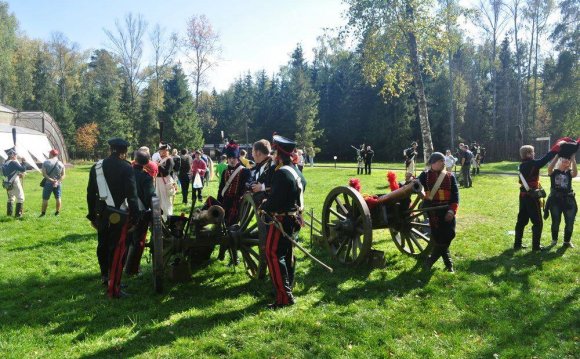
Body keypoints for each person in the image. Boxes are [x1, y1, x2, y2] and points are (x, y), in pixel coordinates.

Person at [86, 138, 140, 298]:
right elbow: (132, 196)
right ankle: (113, 282)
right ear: (124, 152)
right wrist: (135, 218)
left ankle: (105, 275)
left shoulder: (96, 167)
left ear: (111, 149)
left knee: (102, 244)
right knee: (116, 248)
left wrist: (92, 216)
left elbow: (90, 193)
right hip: (119, 214)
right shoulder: (126, 168)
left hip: (101, 212)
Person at [260, 134, 306, 309]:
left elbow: (275, 202)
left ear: (278, 154)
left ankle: (284, 297)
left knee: (272, 253)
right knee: (285, 255)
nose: (272, 156)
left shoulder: (281, 173)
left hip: (282, 219)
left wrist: (265, 203)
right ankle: (286, 290)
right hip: (294, 218)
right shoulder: (295, 170)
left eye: (274, 153)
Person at [514, 141, 563, 251]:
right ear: (528, 154)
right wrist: (556, 148)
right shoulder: (532, 163)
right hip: (531, 196)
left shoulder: (521, 165)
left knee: (521, 220)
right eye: (532, 152)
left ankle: (517, 244)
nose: (534, 154)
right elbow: (545, 159)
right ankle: (536, 247)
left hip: (523, 196)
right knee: (538, 222)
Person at [420, 152, 459, 273]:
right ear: (433, 163)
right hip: (434, 212)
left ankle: (430, 261)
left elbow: (455, 195)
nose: (443, 163)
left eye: (443, 161)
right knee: (440, 238)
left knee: (450, 234)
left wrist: (452, 211)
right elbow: (416, 185)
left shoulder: (449, 176)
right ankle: (449, 264)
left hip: (448, 209)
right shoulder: (424, 175)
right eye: (440, 161)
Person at [125, 150, 156, 275]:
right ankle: (132, 269)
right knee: (138, 241)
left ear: (135, 159)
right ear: (147, 162)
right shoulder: (146, 177)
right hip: (140, 213)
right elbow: (150, 197)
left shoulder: (125, 173)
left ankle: (121, 265)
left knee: (126, 239)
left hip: (123, 211)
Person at [250, 139, 275, 278]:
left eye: (253, 152)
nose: (252, 154)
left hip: (270, 207)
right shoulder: (262, 164)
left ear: (258, 152)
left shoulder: (272, 164)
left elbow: (276, 184)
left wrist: (262, 187)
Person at [546, 146, 578, 248]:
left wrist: (573, 160)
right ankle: (554, 240)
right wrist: (557, 156)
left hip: (568, 200)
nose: (566, 161)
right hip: (555, 200)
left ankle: (567, 241)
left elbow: (575, 173)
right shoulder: (554, 172)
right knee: (556, 221)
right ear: (560, 161)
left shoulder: (569, 173)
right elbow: (549, 168)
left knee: (569, 222)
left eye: (568, 160)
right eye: (564, 160)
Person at [40, 149, 66, 217]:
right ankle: (57, 213)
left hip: (48, 183)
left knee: (45, 199)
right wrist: (58, 181)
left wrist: (51, 180)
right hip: (58, 184)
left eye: (49, 153)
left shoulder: (46, 162)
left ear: (51, 154)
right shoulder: (61, 163)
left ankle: (43, 214)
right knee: (58, 198)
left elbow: (44, 174)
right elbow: (63, 175)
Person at [2, 148, 26, 217]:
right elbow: (23, 169)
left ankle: (9, 214)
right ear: (12, 155)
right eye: (15, 155)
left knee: (10, 198)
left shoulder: (5, 163)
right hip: (14, 182)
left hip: (7, 183)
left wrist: (18, 174)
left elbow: (10, 172)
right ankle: (18, 215)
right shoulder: (13, 162)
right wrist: (24, 162)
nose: (16, 156)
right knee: (21, 198)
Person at [155, 143, 175, 220]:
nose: (162, 152)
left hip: (165, 181)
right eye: (161, 151)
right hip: (158, 181)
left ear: (167, 151)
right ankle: (161, 217)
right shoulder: (159, 160)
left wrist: (159, 166)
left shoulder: (169, 160)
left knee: (166, 200)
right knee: (159, 199)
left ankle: (168, 217)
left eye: (164, 150)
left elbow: (166, 172)